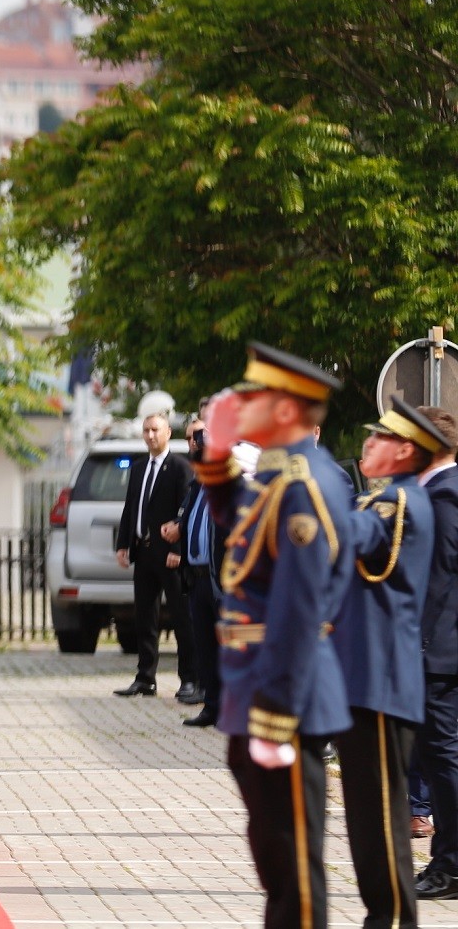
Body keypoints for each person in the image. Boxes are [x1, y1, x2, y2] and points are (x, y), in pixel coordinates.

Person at [197, 343, 355, 929]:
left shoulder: (307, 486)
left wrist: (273, 712)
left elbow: (297, 609)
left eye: (256, 396)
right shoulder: (275, 475)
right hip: (255, 688)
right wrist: (213, 456)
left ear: (286, 410)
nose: (243, 404)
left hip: (285, 700)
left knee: (295, 871)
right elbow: (233, 519)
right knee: (272, 860)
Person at [333, 394, 438, 929]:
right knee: (369, 816)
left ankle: (393, 919)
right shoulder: (391, 498)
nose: (368, 444)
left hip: (378, 679)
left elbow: (347, 535)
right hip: (370, 677)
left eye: (379, 438)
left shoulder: (394, 504)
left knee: (379, 817)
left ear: (403, 451)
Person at [113, 411, 193, 699]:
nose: (150, 435)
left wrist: (177, 550)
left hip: (169, 556)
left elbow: (185, 514)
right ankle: (145, 678)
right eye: (146, 430)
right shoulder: (137, 468)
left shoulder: (180, 468)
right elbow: (130, 508)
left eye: (155, 430)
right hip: (143, 552)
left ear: (168, 432)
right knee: (145, 617)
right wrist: (123, 544)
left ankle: (188, 679)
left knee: (181, 617)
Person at [415, 404, 458, 899]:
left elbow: (441, 583)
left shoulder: (445, 496)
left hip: (437, 653)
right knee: (436, 757)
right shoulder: (434, 492)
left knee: (441, 759)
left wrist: (419, 643)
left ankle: (449, 863)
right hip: (435, 650)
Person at [171, 409, 223, 727]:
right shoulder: (199, 481)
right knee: (205, 648)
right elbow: (189, 522)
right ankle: (212, 706)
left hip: (220, 578)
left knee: (226, 648)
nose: (198, 442)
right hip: (198, 577)